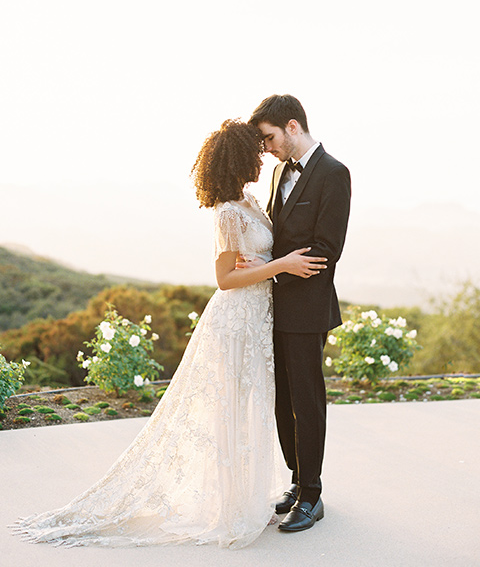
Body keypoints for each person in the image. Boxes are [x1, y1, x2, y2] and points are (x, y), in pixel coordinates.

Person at [11, 119, 325, 550]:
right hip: (235, 320)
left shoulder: (250, 200)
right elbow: (224, 279)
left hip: (259, 317)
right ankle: (230, 507)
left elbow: (253, 259)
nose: (262, 157)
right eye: (254, 153)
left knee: (254, 404)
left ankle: (247, 495)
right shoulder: (228, 212)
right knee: (232, 406)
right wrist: (280, 265)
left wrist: (266, 264)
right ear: (237, 160)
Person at [248, 95, 351, 533]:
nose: (267, 149)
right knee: (281, 402)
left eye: (269, 138)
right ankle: (296, 479)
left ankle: (313, 494)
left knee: (306, 403)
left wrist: (271, 273)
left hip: (308, 309)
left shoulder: (334, 173)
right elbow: (277, 240)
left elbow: (326, 251)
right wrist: (264, 269)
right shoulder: (276, 174)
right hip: (272, 308)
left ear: (292, 127)